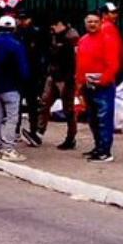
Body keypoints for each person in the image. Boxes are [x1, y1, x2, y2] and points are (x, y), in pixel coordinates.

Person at [76, 11, 123, 163]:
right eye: (89, 21)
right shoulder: (83, 40)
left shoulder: (108, 40)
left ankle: (105, 151)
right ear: (85, 23)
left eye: (95, 21)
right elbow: (80, 64)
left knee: (104, 119)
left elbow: (113, 64)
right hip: (88, 84)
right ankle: (98, 147)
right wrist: (80, 83)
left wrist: (104, 80)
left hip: (103, 85)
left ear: (101, 22)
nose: (92, 24)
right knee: (93, 119)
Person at [0, 15, 30, 161]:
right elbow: (23, 68)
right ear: (13, 28)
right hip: (11, 86)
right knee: (11, 118)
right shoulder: (16, 45)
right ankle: (8, 148)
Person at [36, 15, 80, 150]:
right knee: (44, 103)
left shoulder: (71, 38)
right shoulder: (56, 36)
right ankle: (39, 132)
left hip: (65, 77)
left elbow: (72, 60)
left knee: (68, 109)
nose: (52, 28)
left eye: (54, 25)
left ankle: (71, 137)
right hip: (54, 74)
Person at [16, 10, 47, 147]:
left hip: (33, 74)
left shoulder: (36, 33)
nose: (22, 22)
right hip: (19, 74)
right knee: (16, 104)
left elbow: (41, 54)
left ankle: (33, 130)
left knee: (32, 104)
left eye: (25, 19)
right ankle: (16, 130)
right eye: (20, 19)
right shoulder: (16, 33)